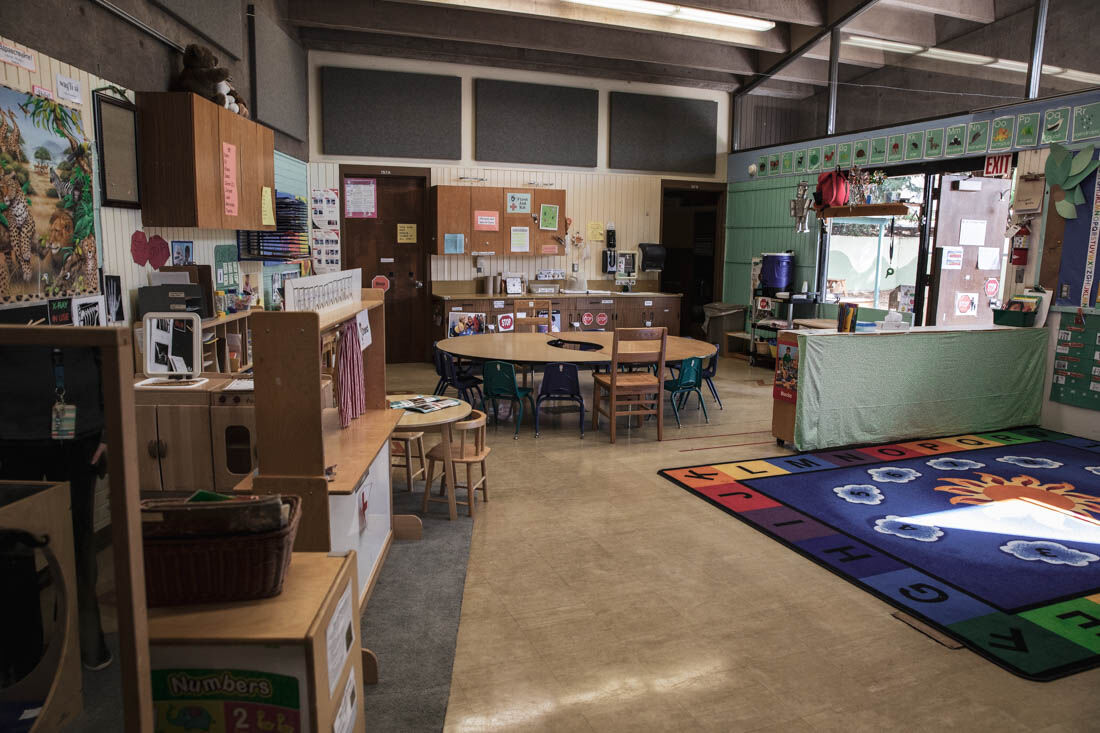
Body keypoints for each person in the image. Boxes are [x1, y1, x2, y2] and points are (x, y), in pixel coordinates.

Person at [0, 346, 112, 671]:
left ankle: (84, 639)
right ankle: (21, 658)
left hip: (81, 430)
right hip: (12, 433)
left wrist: (107, 428)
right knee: (13, 547)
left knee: (79, 538)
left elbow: (102, 352)